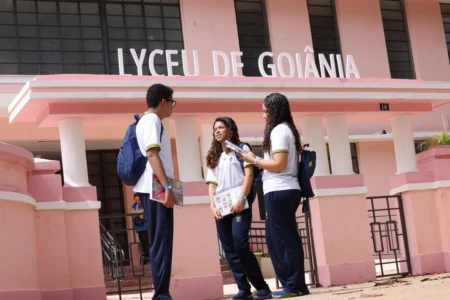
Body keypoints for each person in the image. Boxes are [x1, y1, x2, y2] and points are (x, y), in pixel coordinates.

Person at [240, 93, 310, 298]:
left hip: (280, 190)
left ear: (274, 111)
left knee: (283, 239)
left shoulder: (279, 131)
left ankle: (295, 285)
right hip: (282, 189)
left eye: (265, 111)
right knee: (278, 238)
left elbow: (279, 164)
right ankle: (293, 284)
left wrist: (254, 160)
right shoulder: (286, 130)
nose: (263, 116)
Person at [206, 117, 272, 300]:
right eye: (215, 129)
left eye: (221, 127)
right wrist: (212, 205)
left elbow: (249, 175)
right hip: (221, 208)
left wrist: (242, 199)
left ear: (230, 130)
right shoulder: (214, 155)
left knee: (240, 245)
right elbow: (212, 184)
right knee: (229, 250)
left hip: (240, 206)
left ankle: (262, 288)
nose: (217, 131)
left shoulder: (241, 149)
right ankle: (243, 289)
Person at [133, 83, 178, 300]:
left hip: (152, 186)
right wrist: (167, 187)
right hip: (156, 187)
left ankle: (161, 292)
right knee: (161, 241)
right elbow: (152, 154)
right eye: (172, 102)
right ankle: (161, 294)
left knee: (160, 240)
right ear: (163, 101)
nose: (173, 107)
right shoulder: (151, 120)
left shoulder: (146, 120)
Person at [131, 192, 150, 263]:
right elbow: (131, 211)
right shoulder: (135, 205)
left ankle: (148, 259)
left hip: (145, 227)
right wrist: (140, 212)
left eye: (138, 200)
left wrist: (137, 213)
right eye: (136, 200)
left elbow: (146, 213)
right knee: (142, 243)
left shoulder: (144, 204)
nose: (137, 201)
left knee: (146, 243)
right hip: (139, 228)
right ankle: (146, 258)